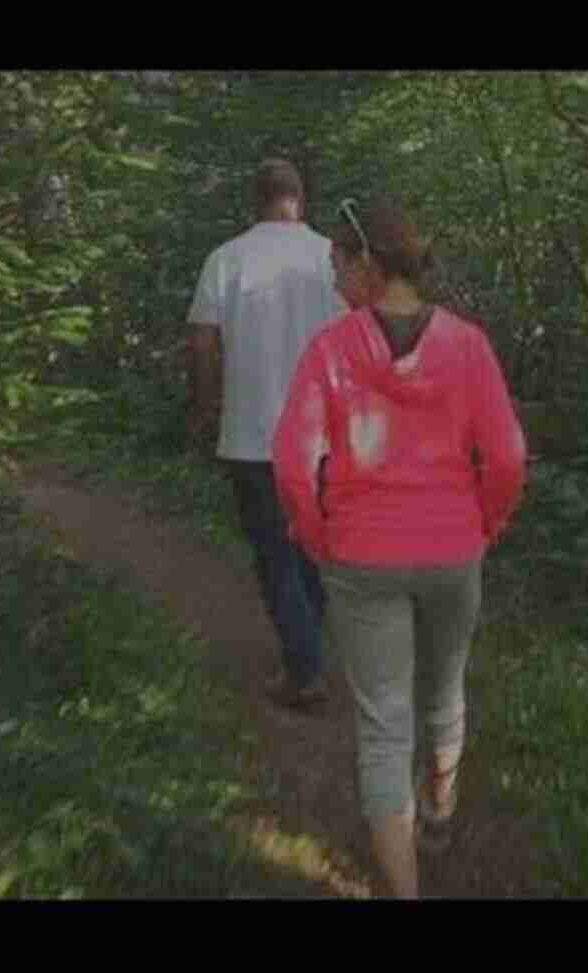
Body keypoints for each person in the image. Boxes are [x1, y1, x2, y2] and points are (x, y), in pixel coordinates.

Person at [271, 195, 526, 897]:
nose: (331, 282)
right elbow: (506, 455)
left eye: (337, 265)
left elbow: (292, 465)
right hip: (453, 548)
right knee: (443, 691)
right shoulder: (467, 345)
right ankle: (438, 810)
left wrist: (315, 535)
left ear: (368, 265)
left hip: (361, 556)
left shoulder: (330, 349)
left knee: (384, 725)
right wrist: (488, 522)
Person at [186, 158, 346, 710]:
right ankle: (305, 652)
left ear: (254, 200)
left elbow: (203, 343)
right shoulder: (334, 259)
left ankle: (303, 672)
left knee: (274, 552)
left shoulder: (226, 259)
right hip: (324, 436)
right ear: (300, 198)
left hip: (252, 435)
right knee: (310, 549)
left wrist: (203, 407)